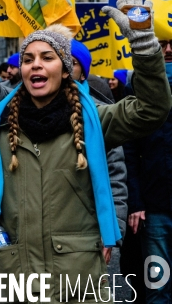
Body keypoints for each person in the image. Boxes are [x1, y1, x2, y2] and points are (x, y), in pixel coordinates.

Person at [0, 0, 171, 301]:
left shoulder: (95, 120)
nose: (35, 65)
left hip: (78, 286)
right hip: (12, 285)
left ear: (66, 70)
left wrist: (144, 46)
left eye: (47, 57)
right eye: (28, 59)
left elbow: (152, 109)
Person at [70, 37, 128, 265]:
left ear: (83, 73)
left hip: (88, 232)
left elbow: (115, 175)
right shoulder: (27, 109)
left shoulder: (98, 114)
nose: (64, 66)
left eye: (71, 62)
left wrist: (113, 231)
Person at [123, 36, 172, 303]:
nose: (168, 50)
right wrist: (136, 202)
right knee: (157, 288)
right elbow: (128, 150)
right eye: (162, 44)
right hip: (154, 210)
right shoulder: (136, 89)